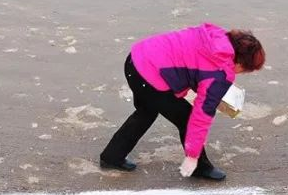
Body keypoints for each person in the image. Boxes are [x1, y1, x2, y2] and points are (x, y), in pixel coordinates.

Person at [100, 23, 266, 181]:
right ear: (240, 63)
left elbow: (192, 65)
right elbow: (201, 116)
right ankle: (199, 167)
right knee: (186, 117)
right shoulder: (219, 74)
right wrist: (192, 157)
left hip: (136, 59)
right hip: (148, 75)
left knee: (146, 111)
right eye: (244, 70)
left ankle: (112, 156)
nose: (240, 73)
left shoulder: (214, 37)